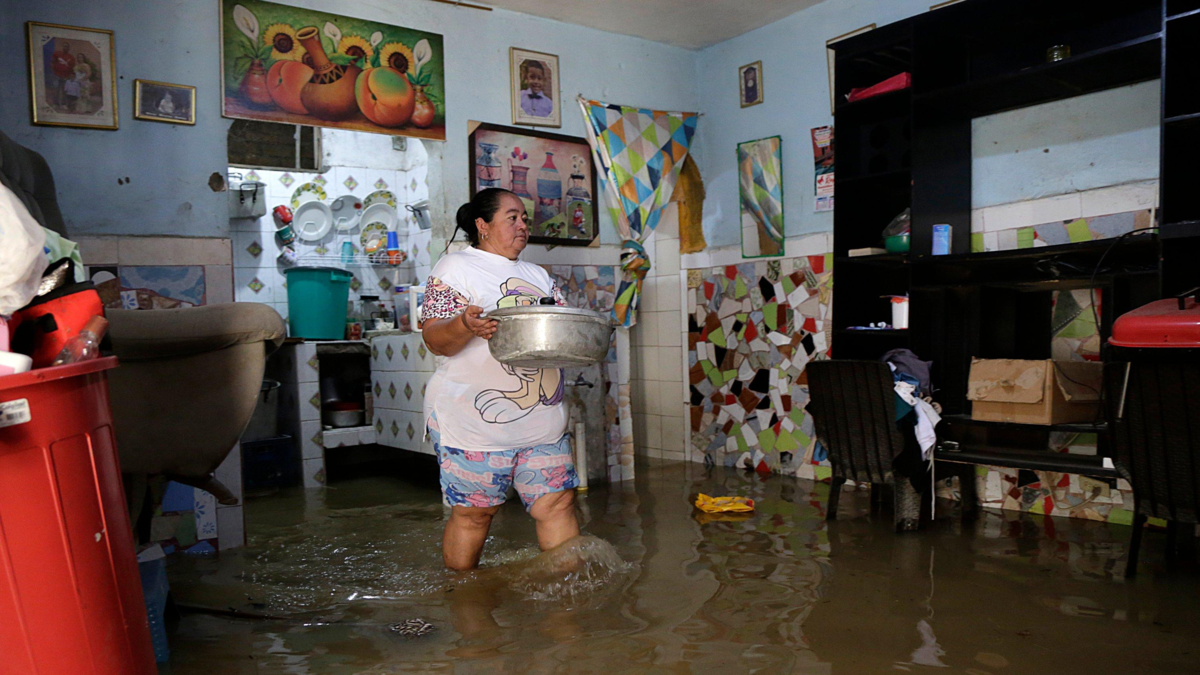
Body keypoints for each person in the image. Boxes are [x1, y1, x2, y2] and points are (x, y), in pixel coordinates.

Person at [421, 188, 580, 571]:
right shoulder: (454, 269)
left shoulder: (537, 276)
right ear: (482, 225)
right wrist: (465, 324)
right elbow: (435, 340)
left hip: (540, 418)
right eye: (513, 217)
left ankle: (569, 605)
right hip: (473, 421)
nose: (523, 225)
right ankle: (464, 601)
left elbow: (560, 332)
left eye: (524, 218)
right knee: (476, 513)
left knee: (556, 502)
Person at [50, 41, 76, 108]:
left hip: (66, 76)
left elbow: (72, 67)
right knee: (56, 89)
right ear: (62, 47)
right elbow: (52, 62)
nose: (65, 47)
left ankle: (64, 104)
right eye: (64, 46)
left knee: (65, 90)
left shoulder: (71, 57)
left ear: (69, 48)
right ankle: (55, 104)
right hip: (56, 75)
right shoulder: (57, 54)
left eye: (67, 46)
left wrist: (71, 75)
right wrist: (54, 69)